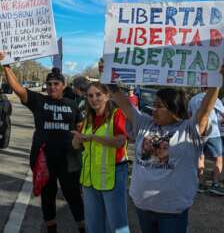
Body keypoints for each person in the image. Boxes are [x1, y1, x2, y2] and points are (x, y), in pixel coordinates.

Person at [107, 66, 224, 233]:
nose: (153, 109)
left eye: (159, 106)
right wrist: (108, 79)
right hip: (143, 207)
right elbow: (123, 103)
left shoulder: (189, 129)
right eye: (154, 105)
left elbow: (205, 111)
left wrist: (216, 82)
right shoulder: (145, 123)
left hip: (172, 212)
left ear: (173, 109)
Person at [0, 53, 85, 233]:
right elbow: (18, 88)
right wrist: (6, 66)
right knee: (48, 196)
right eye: (49, 84)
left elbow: (80, 128)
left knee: (73, 195)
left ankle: (82, 227)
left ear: (63, 86)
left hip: (69, 159)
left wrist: (80, 140)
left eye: (56, 84)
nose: (52, 87)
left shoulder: (72, 105)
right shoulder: (39, 101)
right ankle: (51, 228)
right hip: (43, 160)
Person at [72, 82, 129, 233]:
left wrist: (94, 138)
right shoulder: (88, 118)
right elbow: (77, 147)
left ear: (107, 96)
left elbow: (120, 141)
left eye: (98, 95)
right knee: (93, 224)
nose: (94, 99)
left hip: (113, 175)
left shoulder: (117, 114)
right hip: (90, 178)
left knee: (117, 225)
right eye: (90, 95)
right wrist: (77, 140)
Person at [188, 89, 224, 195]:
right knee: (218, 158)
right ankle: (215, 184)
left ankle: (200, 184)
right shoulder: (214, 98)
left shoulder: (193, 99)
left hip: (197, 131)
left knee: (200, 157)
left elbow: (189, 115)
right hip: (213, 132)